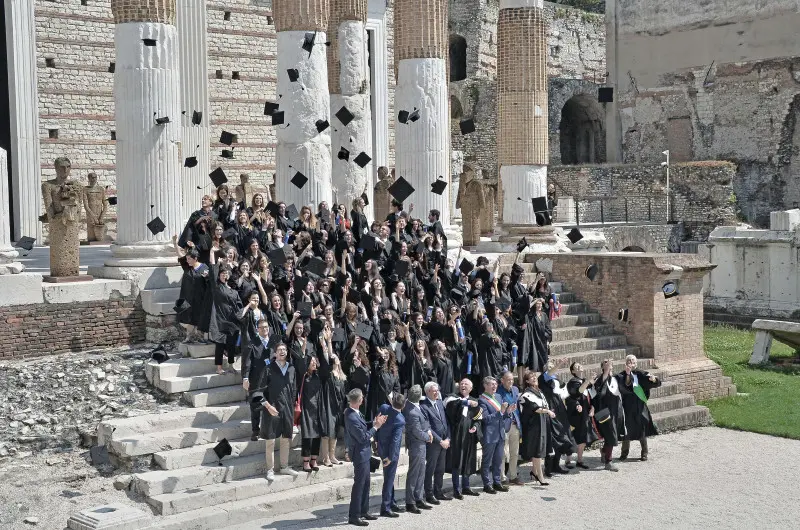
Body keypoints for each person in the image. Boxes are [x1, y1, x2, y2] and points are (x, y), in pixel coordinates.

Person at [255, 343, 298, 480]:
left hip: (287, 408)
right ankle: (270, 469)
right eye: (279, 350)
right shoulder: (268, 369)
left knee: (286, 438)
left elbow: (294, 389)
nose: (282, 351)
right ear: (274, 353)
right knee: (271, 440)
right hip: (272, 408)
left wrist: (292, 405)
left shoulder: (291, 368)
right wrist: (268, 406)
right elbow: (258, 393)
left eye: (284, 349)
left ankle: (284, 467)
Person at [344, 388, 386, 526]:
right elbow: (362, 437)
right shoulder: (350, 416)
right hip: (359, 454)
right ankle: (354, 516)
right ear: (359, 400)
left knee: (366, 484)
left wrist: (373, 423)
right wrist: (376, 427)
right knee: (359, 485)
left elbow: (363, 426)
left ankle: (363, 511)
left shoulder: (355, 413)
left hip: (365, 453)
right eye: (362, 397)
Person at [617, 354, 661, 461]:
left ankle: (644, 453)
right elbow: (623, 386)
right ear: (626, 363)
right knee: (626, 431)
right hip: (627, 406)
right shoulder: (621, 375)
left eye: (633, 361)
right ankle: (624, 453)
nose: (631, 362)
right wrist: (628, 374)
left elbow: (656, 383)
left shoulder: (642, 374)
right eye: (629, 361)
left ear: (636, 363)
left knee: (642, 430)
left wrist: (654, 380)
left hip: (640, 406)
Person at [444, 378, 482, 499]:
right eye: (461, 384)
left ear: (471, 388)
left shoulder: (474, 401)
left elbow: (478, 419)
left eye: (466, 384)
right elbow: (451, 405)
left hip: (469, 436)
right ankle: (456, 489)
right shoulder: (453, 398)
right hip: (456, 435)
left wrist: (475, 427)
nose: (463, 385)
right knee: (457, 461)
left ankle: (466, 486)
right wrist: (465, 403)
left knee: (467, 461)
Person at [539, 361, 576, 475]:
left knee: (562, 435)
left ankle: (556, 465)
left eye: (553, 366)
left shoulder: (557, 379)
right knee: (553, 437)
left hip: (559, 406)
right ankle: (548, 467)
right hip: (550, 407)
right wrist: (559, 364)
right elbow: (549, 373)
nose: (552, 368)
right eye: (549, 366)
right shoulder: (543, 378)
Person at [519, 370, 554, 486]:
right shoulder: (526, 394)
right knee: (537, 451)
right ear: (527, 381)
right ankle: (540, 476)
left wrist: (548, 412)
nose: (534, 378)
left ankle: (534, 472)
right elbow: (534, 408)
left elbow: (543, 406)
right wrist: (548, 411)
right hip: (533, 426)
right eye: (531, 377)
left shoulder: (539, 392)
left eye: (535, 376)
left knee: (540, 450)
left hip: (542, 423)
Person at [402, 384, 433, 513]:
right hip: (417, 444)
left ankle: (418, 498)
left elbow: (425, 423)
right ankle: (410, 501)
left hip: (421, 444)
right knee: (414, 473)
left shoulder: (414, 406)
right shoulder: (412, 411)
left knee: (421, 472)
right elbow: (416, 431)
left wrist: (429, 432)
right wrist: (428, 436)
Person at [419, 381, 451, 505]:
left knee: (440, 468)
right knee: (430, 469)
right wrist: (440, 441)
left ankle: (438, 491)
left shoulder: (439, 403)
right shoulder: (424, 407)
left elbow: (446, 422)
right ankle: (429, 493)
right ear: (427, 392)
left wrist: (448, 438)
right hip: (434, 443)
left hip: (444, 441)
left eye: (437, 390)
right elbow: (428, 427)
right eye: (434, 390)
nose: (437, 392)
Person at [376, 393, 407, 518]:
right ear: (403, 405)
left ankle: (392, 502)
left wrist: (377, 441)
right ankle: (386, 507)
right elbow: (395, 440)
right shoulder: (400, 419)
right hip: (390, 453)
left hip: (381, 447)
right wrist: (391, 457)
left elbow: (376, 423)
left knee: (390, 477)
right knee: (389, 479)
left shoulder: (383, 407)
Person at [478, 376, 510, 494]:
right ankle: (487, 484)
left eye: (495, 384)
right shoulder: (482, 400)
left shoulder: (498, 396)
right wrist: (500, 411)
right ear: (485, 386)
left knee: (498, 460)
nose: (494, 386)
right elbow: (485, 419)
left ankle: (497, 482)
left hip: (500, 433)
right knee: (487, 461)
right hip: (489, 435)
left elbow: (502, 415)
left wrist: (508, 412)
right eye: (492, 384)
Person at [594, 359, 624, 471]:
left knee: (610, 435)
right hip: (604, 411)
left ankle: (604, 453)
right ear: (603, 367)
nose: (608, 365)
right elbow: (600, 390)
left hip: (616, 410)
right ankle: (608, 462)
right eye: (605, 363)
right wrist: (606, 370)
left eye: (610, 364)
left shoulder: (615, 378)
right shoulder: (600, 378)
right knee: (610, 435)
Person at [565, 362, 595, 469]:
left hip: (585, 414)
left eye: (580, 365)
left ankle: (580, 460)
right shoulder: (573, 382)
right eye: (576, 366)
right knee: (573, 437)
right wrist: (588, 381)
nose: (579, 366)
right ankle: (568, 460)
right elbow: (578, 392)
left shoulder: (584, 381)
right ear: (573, 371)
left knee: (582, 437)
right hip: (575, 415)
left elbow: (591, 396)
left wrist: (592, 407)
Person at [497, 370, 523, 486]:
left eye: (512, 379)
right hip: (503, 424)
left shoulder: (516, 390)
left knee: (515, 452)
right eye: (508, 380)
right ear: (502, 380)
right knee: (503, 453)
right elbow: (498, 410)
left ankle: (513, 476)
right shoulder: (498, 392)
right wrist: (507, 411)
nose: (511, 382)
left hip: (515, 424)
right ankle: (502, 477)